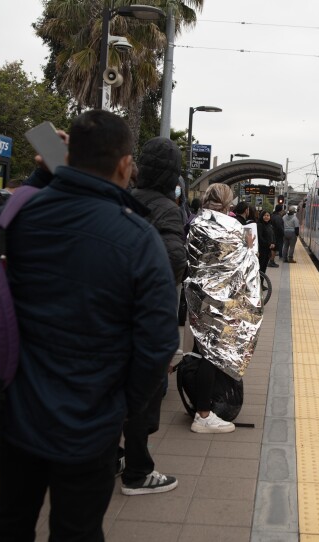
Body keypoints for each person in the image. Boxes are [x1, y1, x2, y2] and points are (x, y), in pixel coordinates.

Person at [0, 111, 178, 541]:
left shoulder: (26, 216)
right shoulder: (138, 238)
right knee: (77, 530)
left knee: (10, 524)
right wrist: (123, 405)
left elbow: (0, 217)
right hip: (90, 422)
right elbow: (158, 342)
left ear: (70, 156)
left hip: (18, 411)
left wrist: (45, 173)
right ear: (125, 164)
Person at [121, 136, 187, 496]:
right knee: (144, 394)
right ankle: (138, 471)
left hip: (116, 311)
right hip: (145, 316)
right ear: (174, 176)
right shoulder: (167, 207)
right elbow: (174, 259)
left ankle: (115, 457)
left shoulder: (126, 198)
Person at [185, 183, 263, 433]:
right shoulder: (233, 227)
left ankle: (201, 404)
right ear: (228, 202)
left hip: (199, 298)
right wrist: (250, 248)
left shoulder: (196, 223)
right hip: (223, 303)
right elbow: (245, 267)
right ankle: (203, 415)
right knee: (213, 354)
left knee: (201, 349)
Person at [257, 209, 275, 274]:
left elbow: (272, 235)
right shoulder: (260, 225)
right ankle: (259, 282)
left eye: (268, 215)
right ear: (261, 216)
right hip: (262, 249)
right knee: (261, 266)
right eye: (264, 215)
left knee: (264, 266)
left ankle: (262, 282)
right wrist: (268, 244)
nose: (266, 217)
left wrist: (273, 243)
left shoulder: (270, 225)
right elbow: (260, 237)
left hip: (268, 249)